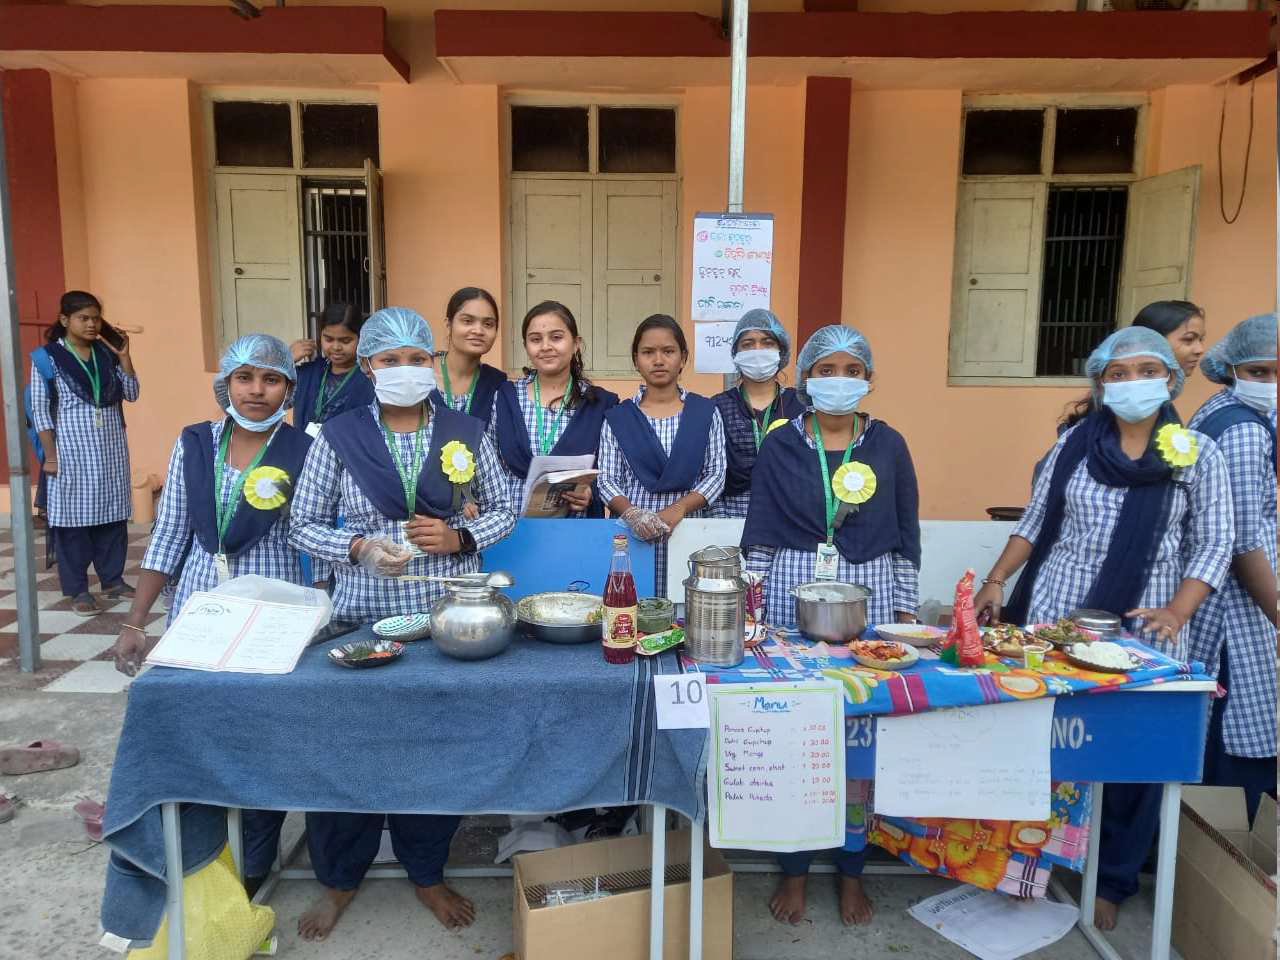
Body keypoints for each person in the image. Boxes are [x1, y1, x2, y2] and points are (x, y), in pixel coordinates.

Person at [973, 326, 1233, 931]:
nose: (1132, 382)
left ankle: (1112, 878)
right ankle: (1032, 864)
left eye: (1147, 370)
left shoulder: (1196, 452)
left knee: (1131, 755)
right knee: (1047, 745)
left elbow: (1215, 543)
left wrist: (1178, 611)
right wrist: (996, 581)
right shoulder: (1075, 445)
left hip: (1145, 630)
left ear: (1171, 379)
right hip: (1058, 619)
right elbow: (1036, 521)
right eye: (1118, 373)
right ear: (1099, 383)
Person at [287, 307, 516, 939]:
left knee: (434, 749)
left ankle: (426, 872)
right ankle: (339, 877)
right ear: (368, 366)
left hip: (446, 622)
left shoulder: (466, 431)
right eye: (391, 360)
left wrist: (460, 536)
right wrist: (357, 546)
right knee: (347, 748)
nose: (405, 370)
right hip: (361, 617)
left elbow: (505, 510)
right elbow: (302, 523)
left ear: (432, 363)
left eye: (416, 359)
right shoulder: (338, 436)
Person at [110, 334, 323, 894]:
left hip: (272, 616)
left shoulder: (304, 450)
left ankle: (253, 864)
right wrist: (135, 622)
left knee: (263, 739)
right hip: (200, 614)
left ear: (288, 389)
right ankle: (200, 857)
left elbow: (316, 536)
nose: (257, 390)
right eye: (244, 378)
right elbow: (169, 534)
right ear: (225, 383)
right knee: (199, 734)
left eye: (271, 379)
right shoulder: (195, 444)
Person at [741, 323, 921, 927]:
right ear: (804, 378)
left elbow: (906, 534)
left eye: (852, 371)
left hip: (870, 601)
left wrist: (905, 617)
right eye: (826, 370)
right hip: (793, 597)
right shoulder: (781, 444)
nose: (839, 381)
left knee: (861, 740)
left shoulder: (888, 444)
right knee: (797, 736)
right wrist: (754, 613)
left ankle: (851, 871)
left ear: (869, 378)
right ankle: (794, 870)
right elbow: (759, 534)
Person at [1187, 314, 1277, 822]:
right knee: (1236, 745)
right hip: (1235, 614)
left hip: (1221, 601)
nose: (1271, 383)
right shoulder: (1243, 429)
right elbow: (1243, 543)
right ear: (1232, 368)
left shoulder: (1223, 408)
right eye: (1259, 371)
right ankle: (1220, 854)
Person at [597, 315, 726, 595]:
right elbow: (606, 479)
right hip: (633, 535)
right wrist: (633, 514)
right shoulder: (619, 418)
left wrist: (679, 509)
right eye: (648, 352)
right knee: (632, 604)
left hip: (689, 531)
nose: (658, 360)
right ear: (636, 360)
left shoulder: (705, 413)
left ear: (683, 358)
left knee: (686, 604)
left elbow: (716, 474)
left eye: (668, 351)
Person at [31, 291, 140, 616]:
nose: (92, 324)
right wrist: (50, 457)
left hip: (110, 452)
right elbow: (40, 411)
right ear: (65, 320)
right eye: (84, 318)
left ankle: (113, 581)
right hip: (70, 453)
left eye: (95, 318)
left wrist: (124, 356)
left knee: (113, 517)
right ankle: (78, 589)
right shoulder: (46, 358)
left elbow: (132, 393)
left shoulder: (105, 354)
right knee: (72, 522)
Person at [492, 301, 618, 516]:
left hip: (574, 527)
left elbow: (610, 474)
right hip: (512, 525)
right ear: (526, 346)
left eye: (556, 337)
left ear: (576, 344)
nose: (545, 346)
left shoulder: (599, 404)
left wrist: (590, 493)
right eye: (535, 339)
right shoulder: (505, 398)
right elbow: (490, 468)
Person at [710, 309, 805, 518]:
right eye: (748, 344)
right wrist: (720, 523)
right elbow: (709, 472)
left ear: (781, 351)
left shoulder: (800, 406)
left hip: (790, 513)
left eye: (767, 343)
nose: (758, 350)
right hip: (730, 514)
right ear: (736, 354)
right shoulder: (717, 407)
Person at [290, 303, 375, 436]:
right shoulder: (308, 373)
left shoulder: (371, 377)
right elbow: (272, 402)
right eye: (328, 339)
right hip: (304, 448)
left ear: (361, 338)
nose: (336, 347)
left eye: (345, 341)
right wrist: (285, 362)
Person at [432, 287, 508, 426]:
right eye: (467, 321)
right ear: (448, 325)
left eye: (488, 324)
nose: (478, 331)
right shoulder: (421, 374)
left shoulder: (497, 382)